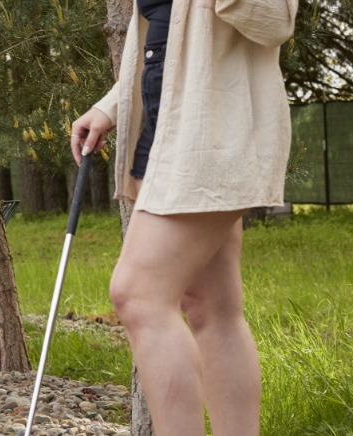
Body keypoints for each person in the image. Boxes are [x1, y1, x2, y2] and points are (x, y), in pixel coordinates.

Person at [68, 0, 295, 434]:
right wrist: (111, 107)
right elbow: (172, 40)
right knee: (212, 308)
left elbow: (278, 19)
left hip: (210, 139)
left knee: (138, 294)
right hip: (171, 132)